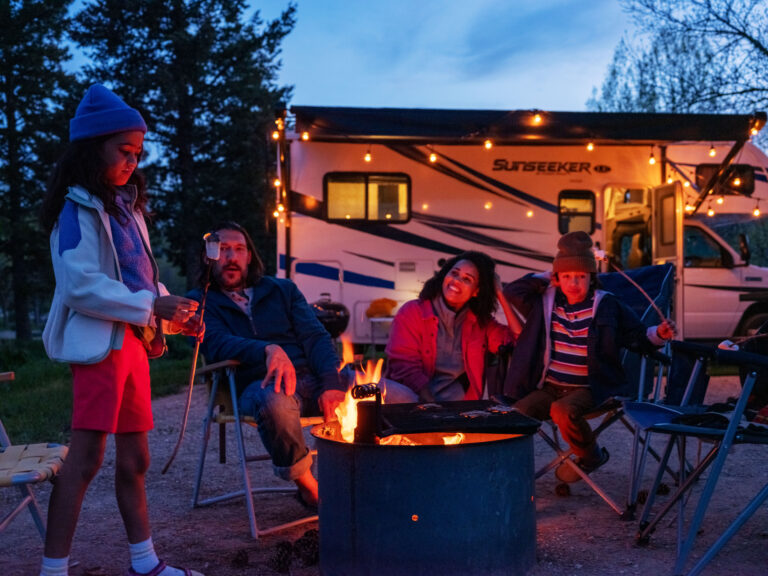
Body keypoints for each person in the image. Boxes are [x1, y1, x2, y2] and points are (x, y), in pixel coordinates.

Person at [39, 84, 204, 576]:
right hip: (99, 348)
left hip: (134, 344)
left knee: (136, 460)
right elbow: (79, 285)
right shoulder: (76, 211)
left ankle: (144, 562)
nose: (133, 161)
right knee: (86, 458)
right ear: (93, 149)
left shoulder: (128, 209)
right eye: (123, 150)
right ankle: (52, 570)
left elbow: (138, 280)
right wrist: (153, 303)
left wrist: (173, 314)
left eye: (138, 153)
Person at [189, 221, 347, 508]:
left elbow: (315, 337)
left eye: (239, 249)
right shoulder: (198, 302)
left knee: (391, 395)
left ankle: (377, 482)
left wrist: (331, 383)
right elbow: (214, 342)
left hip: (312, 379)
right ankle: (310, 488)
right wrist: (267, 349)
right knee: (274, 403)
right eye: (223, 249)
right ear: (208, 255)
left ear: (249, 256)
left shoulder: (282, 290)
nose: (231, 257)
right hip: (260, 384)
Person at [503, 231, 675, 482]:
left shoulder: (607, 304)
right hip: (550, 386)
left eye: (581, 276)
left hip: (591, 387)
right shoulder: (546, 302)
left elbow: (636, 336)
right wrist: (548, 276)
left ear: (592, 278)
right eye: (566, 276)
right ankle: (511, 473)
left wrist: (659, 334)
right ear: (557, 278)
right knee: (519, 413)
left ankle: (591, 456)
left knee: (562, 410)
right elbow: (513, 291)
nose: (574, 282)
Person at [383, 251, 523, 403]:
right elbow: (404, 366)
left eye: (467, 279)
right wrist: (431, 406)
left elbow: (521, 340)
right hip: (414, 401)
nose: (456, 280)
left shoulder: (479, 323)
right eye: (454, 273)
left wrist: (500, 294)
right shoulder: (413, 311)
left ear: (476, 291)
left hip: (457, 406)